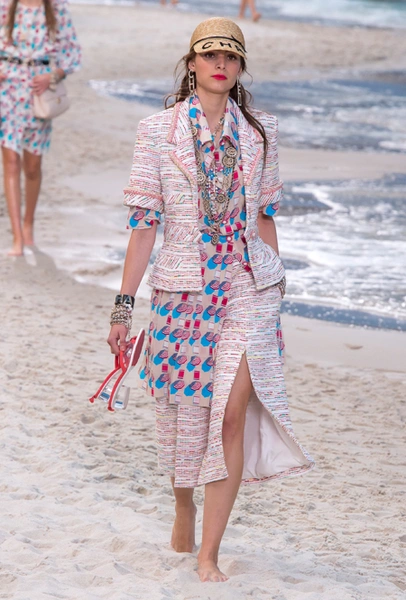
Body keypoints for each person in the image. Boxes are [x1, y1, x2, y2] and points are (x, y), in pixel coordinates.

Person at [107, 17, 314, 583]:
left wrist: (275, 290)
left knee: (230, 414)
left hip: (248, 286)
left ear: (241, 67)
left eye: (231, 56)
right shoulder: (157, 131)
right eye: (210, 54)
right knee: (182, 417)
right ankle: (184, 505)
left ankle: (210, 554)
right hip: (182, 289)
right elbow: (144, 227)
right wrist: (124, 308)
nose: (221, 64)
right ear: (192, 63)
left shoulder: (262, 132)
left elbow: (265, 217)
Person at [0, 0, 81, 256]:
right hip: (7, 90)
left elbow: (72, 54)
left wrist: (52, 76)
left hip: (39, 92)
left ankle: (28, 225)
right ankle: (17, 237)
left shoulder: (56, 8)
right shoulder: (5, 5)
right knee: (10, 162)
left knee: (33, 166)